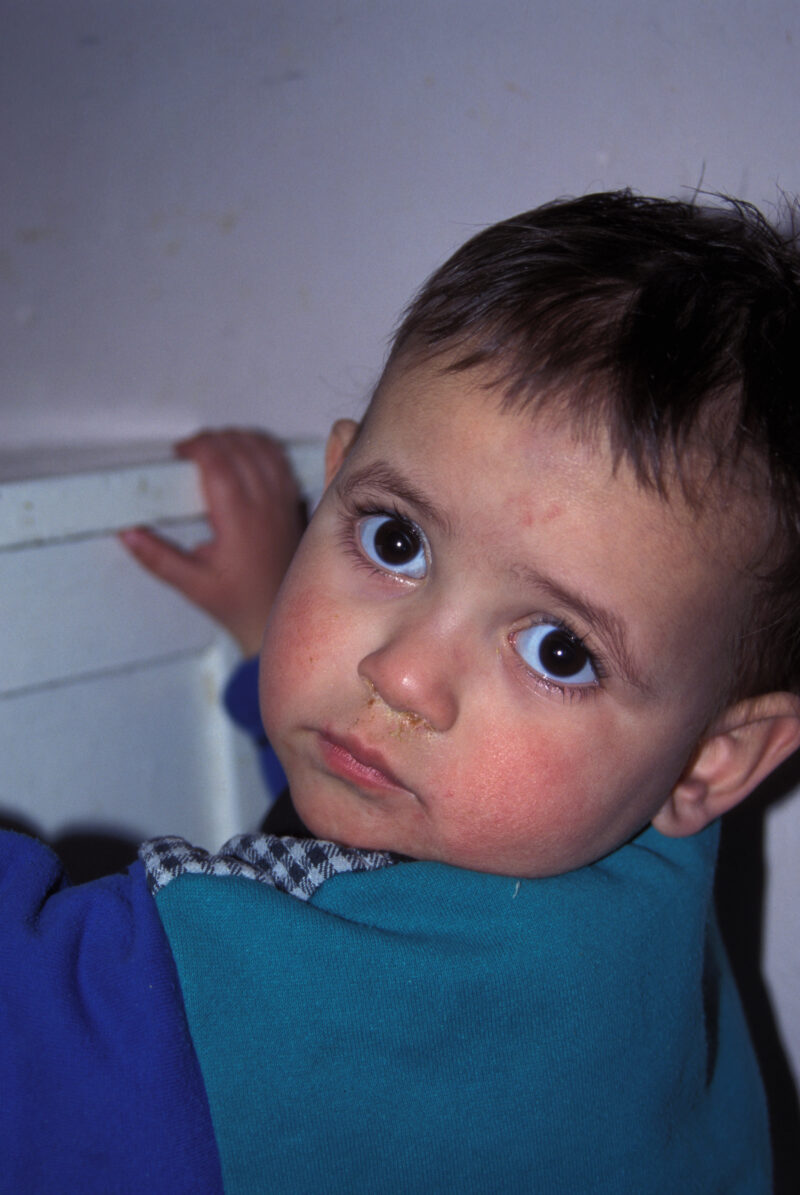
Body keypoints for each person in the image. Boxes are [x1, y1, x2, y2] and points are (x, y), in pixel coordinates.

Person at [4, 190, 800, 1193]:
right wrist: (270, 630)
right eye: (394, 540)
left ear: (710, 761)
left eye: (557, 650)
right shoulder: (633, 847)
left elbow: (38, 1027)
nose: (402, 674)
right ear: (335, 481)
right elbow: (369, 851)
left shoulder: (355, 1000)